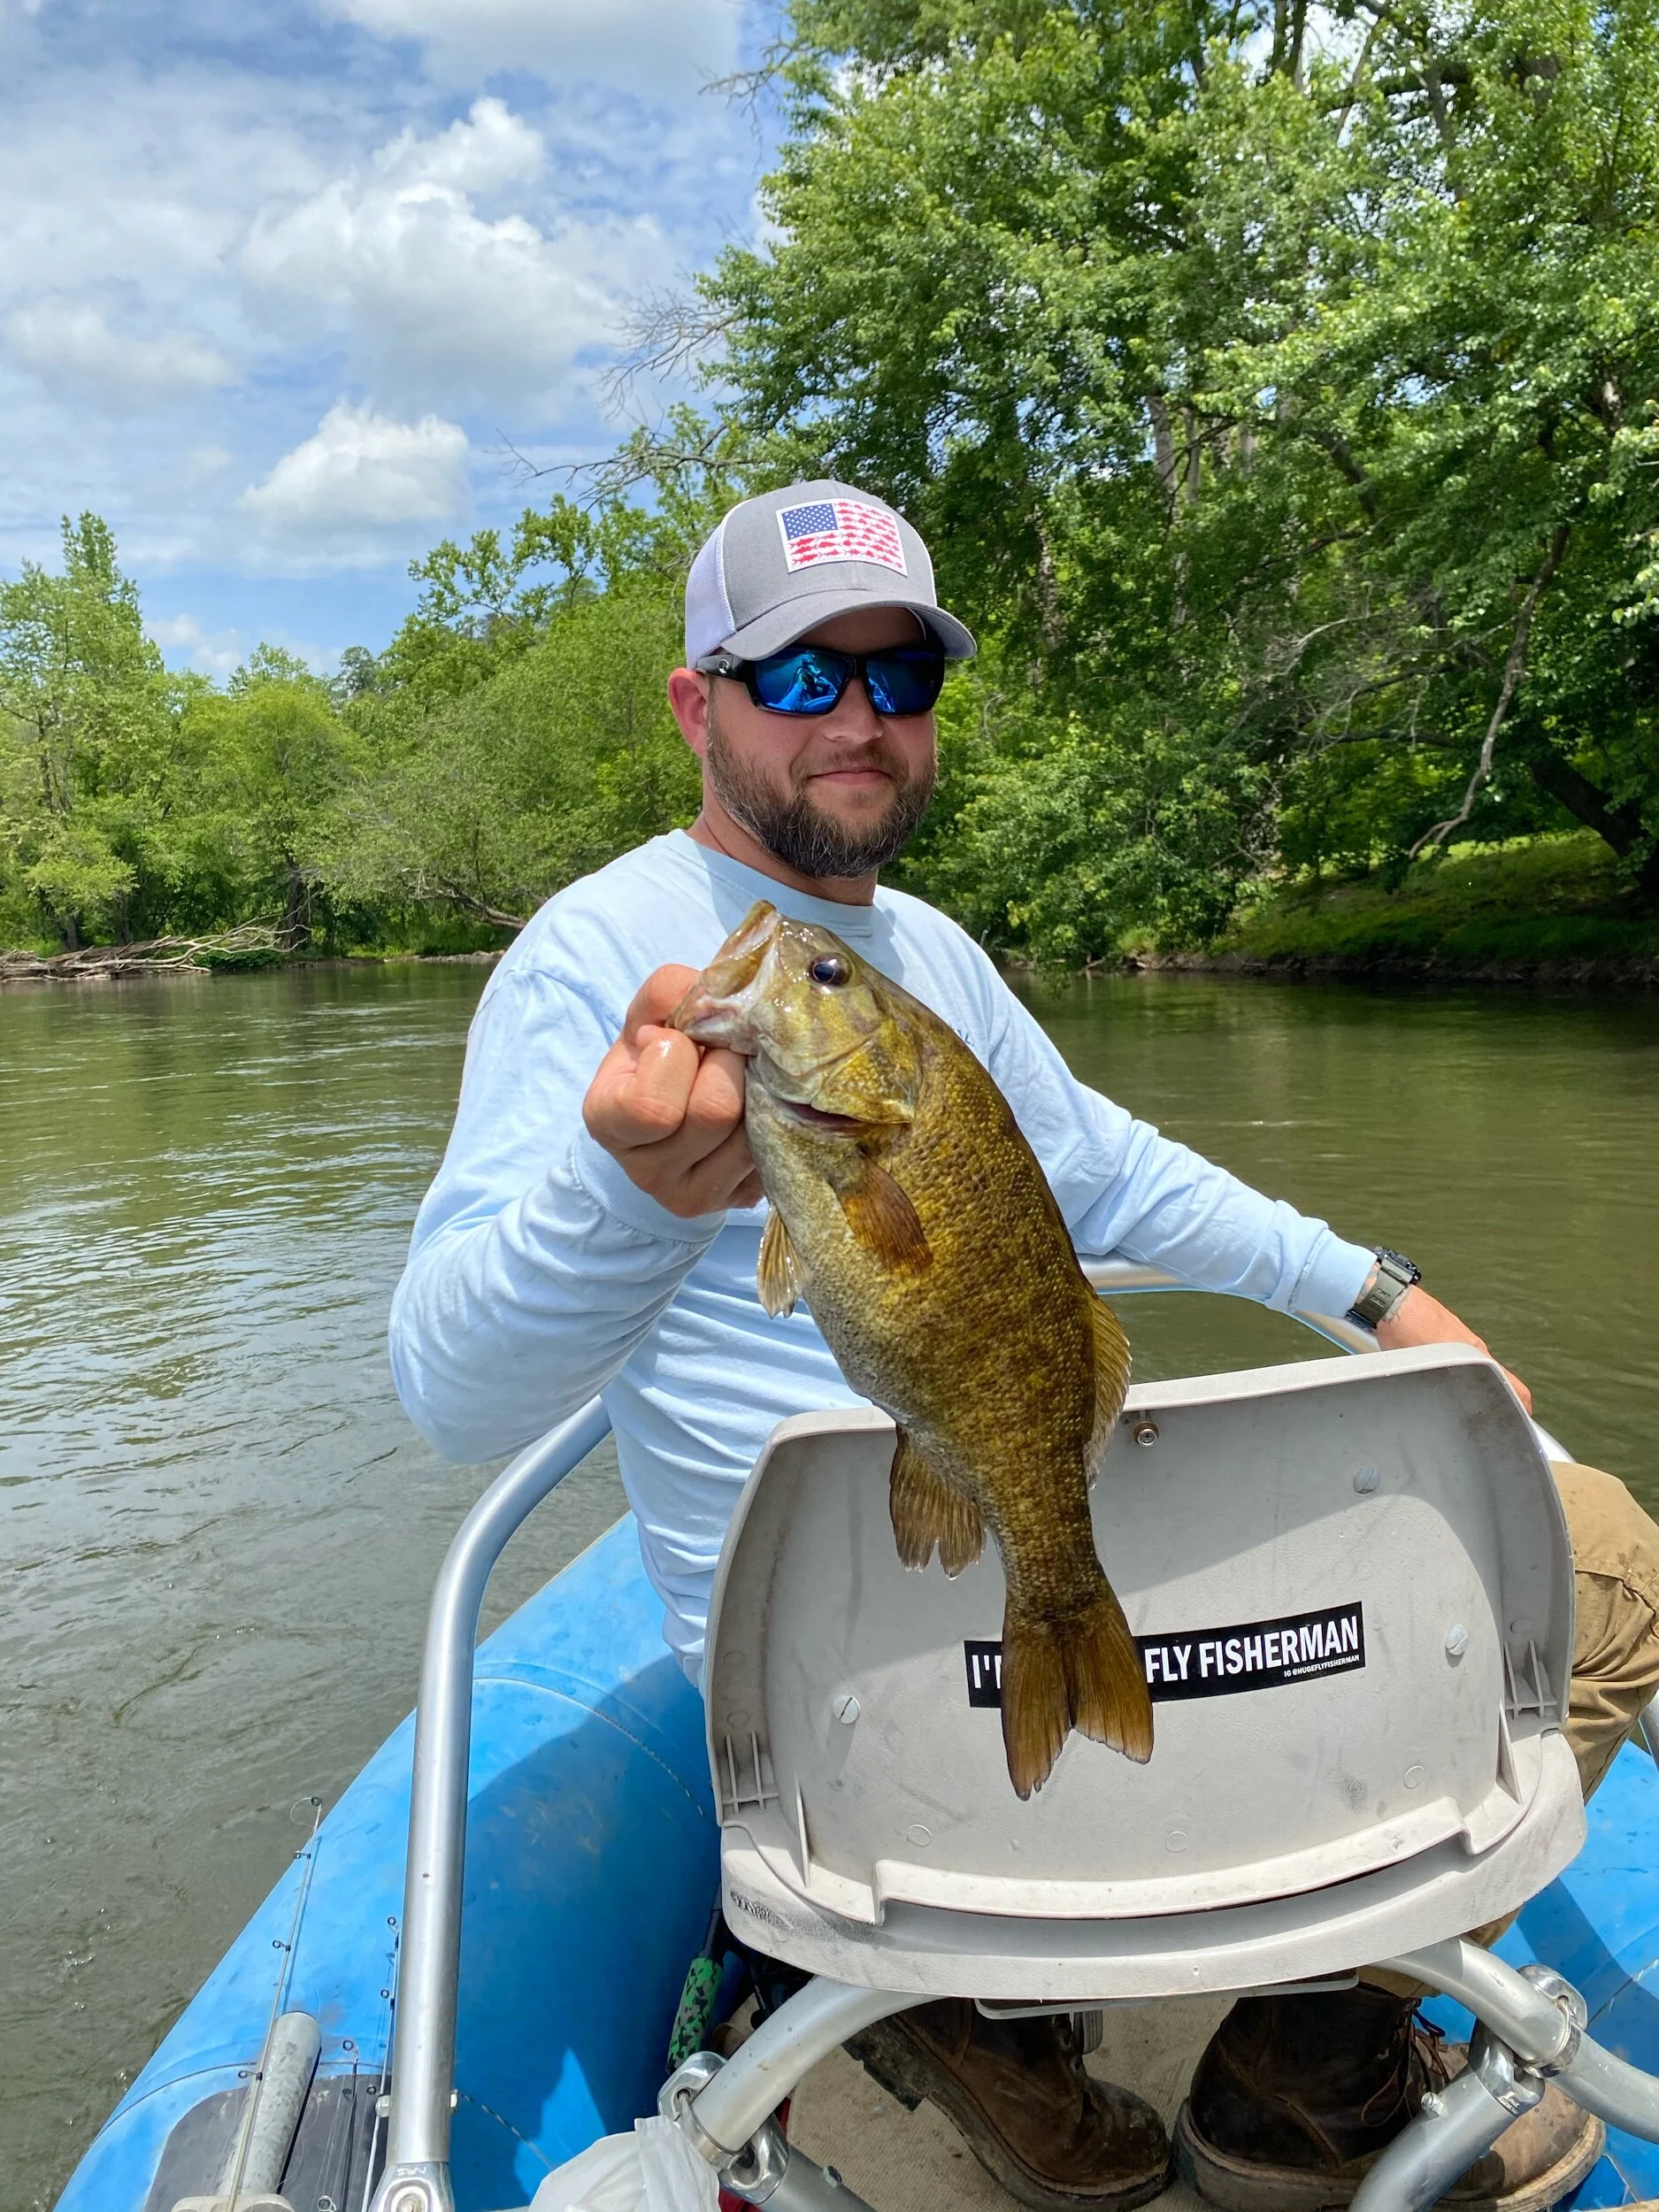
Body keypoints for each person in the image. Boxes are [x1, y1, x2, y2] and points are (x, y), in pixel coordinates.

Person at [389, 480, 1659, 2212]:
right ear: (694, 705)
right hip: (869, 1698)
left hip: (864, 1730)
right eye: (799, 673)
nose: (858, 716)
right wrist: (621, 1199)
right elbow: (450, 1391)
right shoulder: (587, 961)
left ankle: (987, 2026)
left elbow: (1112, 1172)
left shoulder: (926, 952)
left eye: (899, 676)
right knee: (1613, 1562)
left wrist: (1374, 1290)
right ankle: (1304, 2076)